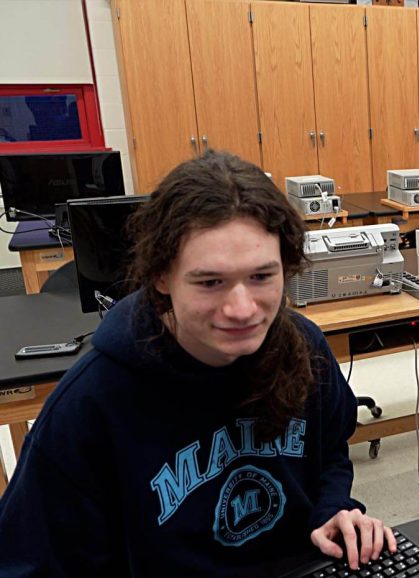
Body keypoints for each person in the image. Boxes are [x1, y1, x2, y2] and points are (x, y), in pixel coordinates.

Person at [0, 151, 395, 577]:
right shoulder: (89, 404)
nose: (243, 309)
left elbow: (330, 450)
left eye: (262, 277)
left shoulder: (303, 346)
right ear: (161, 277)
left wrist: (333, 509)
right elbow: (28, 565)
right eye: (210, 282)